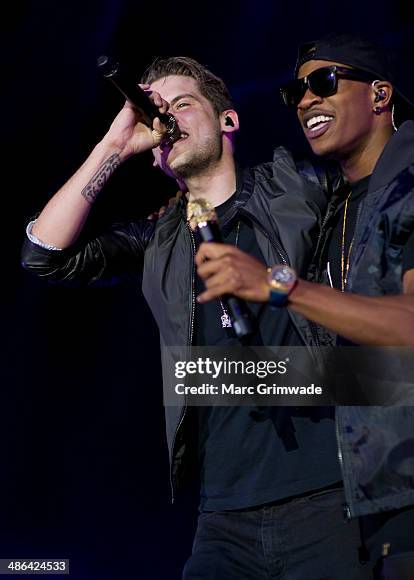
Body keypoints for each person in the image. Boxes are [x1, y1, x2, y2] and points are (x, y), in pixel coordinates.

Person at [21, 57, 355, 579]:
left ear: (228, 121)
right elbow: (44, 254)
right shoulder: (158, 238)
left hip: (329, 496)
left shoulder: (298, 187)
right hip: (223, 516)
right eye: (160, 114)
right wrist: (113, 145)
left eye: (182, 105)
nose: (168, 121)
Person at [195, 34, 414, 578]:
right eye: (296, 91)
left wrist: (279, 284)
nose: (305, 100)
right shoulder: (331, 203)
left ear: (380, 95)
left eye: (323, 83)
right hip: (364, 501)